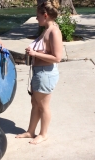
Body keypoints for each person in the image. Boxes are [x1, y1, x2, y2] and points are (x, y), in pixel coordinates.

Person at [15, 0, 62, 144]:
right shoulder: (47, 29)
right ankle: (30, 131)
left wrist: (35, 54)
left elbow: (57, 57)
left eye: (38, 15)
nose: (36, 18)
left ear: (45, 15)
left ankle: (43, 134)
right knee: (35, 103)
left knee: (43, 106)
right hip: (39, 72)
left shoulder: (54, 31)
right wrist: (33, 53)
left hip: (45, 74)